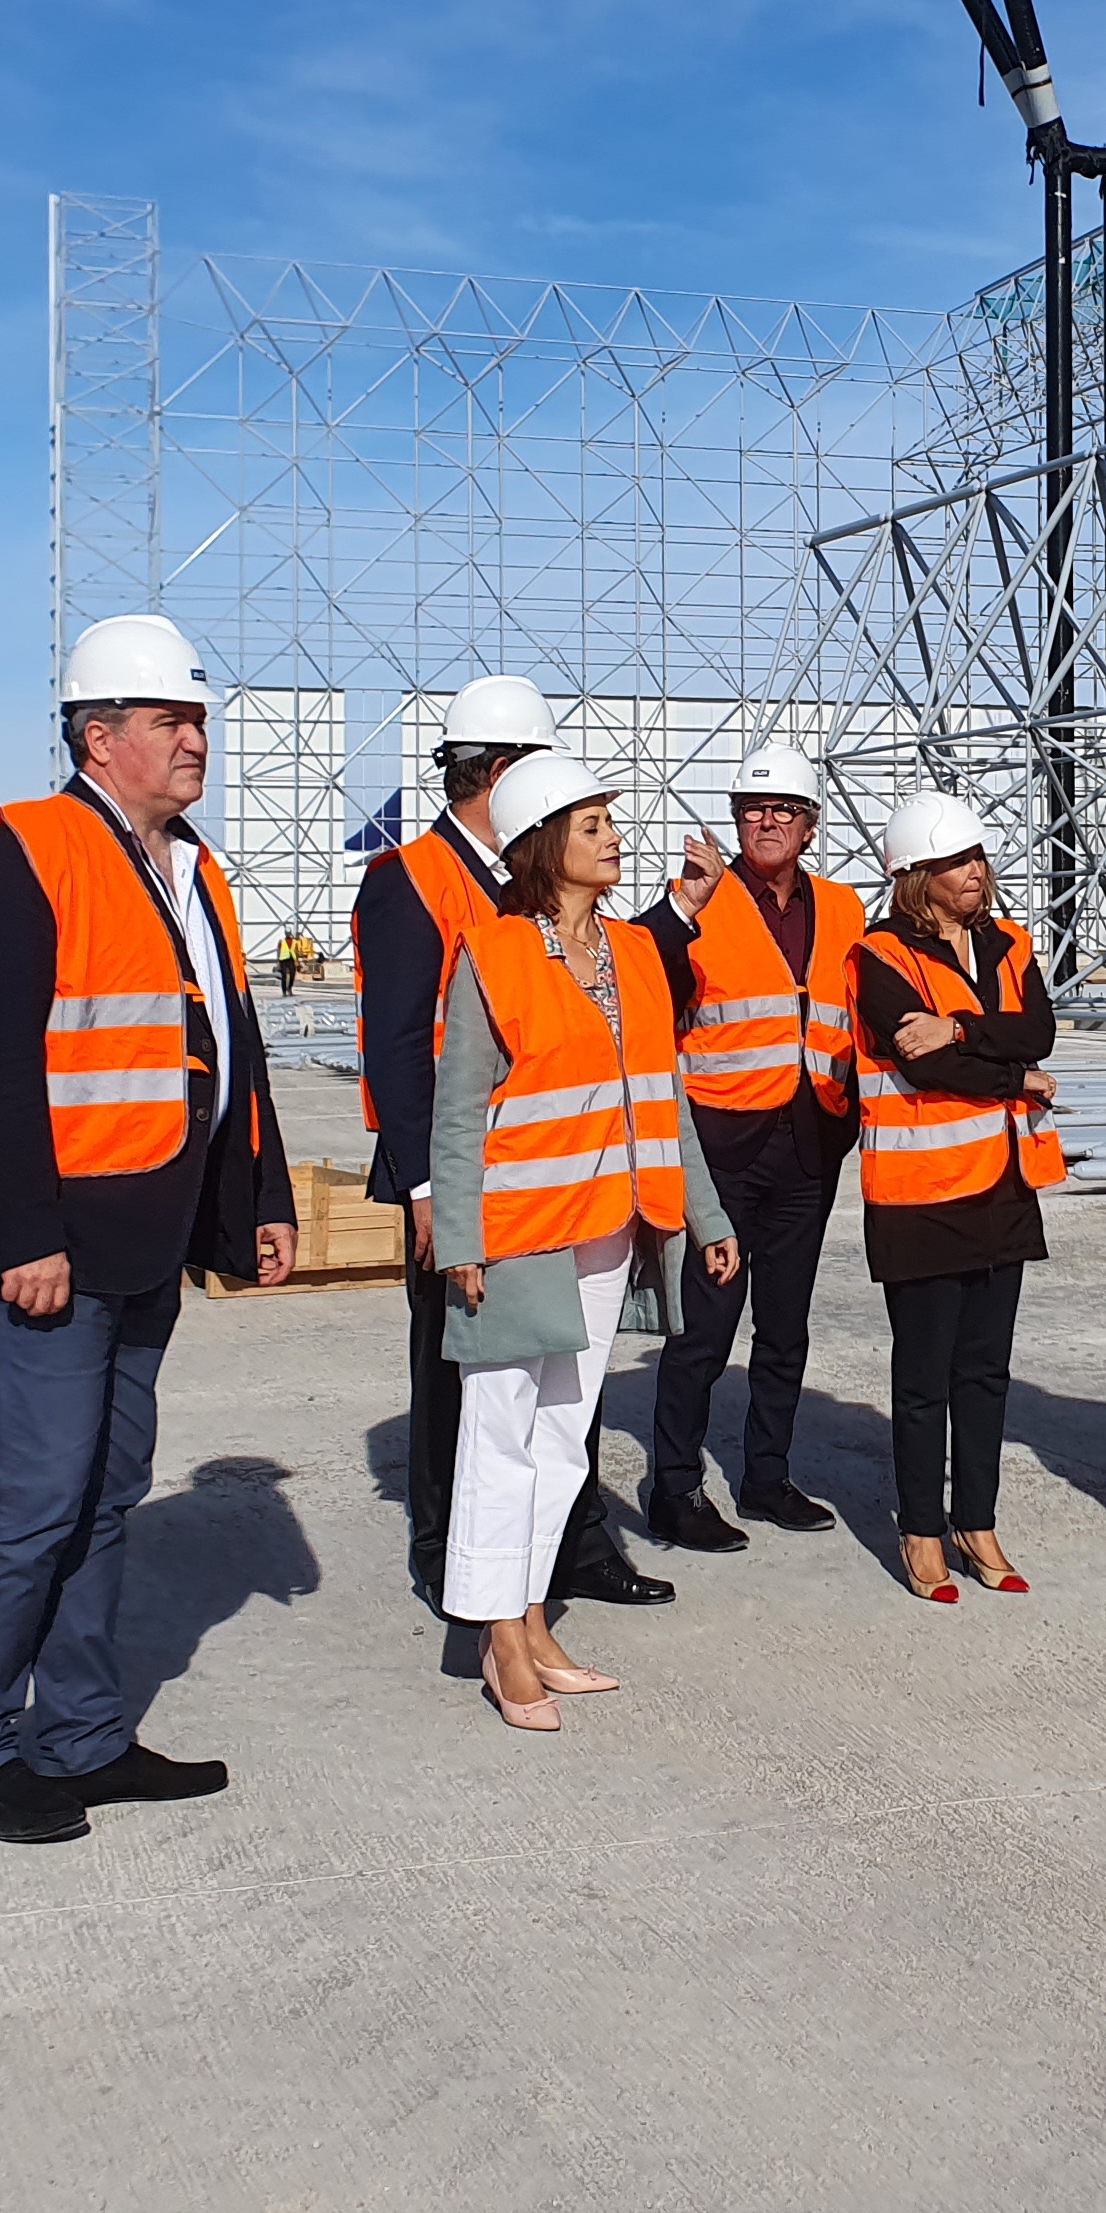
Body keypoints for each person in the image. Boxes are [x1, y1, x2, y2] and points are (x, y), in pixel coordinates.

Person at [0, 612, 299, 1847]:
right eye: (170, 720)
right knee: (36, 1500)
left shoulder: (194, 871)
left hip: (145, 1238)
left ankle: (81, 1736)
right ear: (99, 736)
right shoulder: (21, 857)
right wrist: (26, 1235)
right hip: (46, 1249)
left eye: (200, 721)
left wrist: (260, 1199)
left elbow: (228, 1049)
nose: (196, 741)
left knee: (106, 1494)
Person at [352, 677, 675, 1618]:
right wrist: (427, 1193)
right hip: (462, 1178)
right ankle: (446, 1556)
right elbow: (400, 1050)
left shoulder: (530, 876)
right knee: (460, 1376)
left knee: (565, 1380)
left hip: (564, 1177)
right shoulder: (411, 879)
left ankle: (567, 1551)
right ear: (503, 772)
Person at [430, 755, 738, 1725]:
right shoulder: (493, 954)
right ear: (541, 842)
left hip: (612, 1227)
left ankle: (530, 1615)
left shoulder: (636, 954)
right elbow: (458, 1109)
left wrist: (707, 1215)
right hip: (519, 1231)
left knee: (565, 1437)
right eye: (593, 823)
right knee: (499, 1432)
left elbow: (666, 1098)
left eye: (611, 821)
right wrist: (458, 1236)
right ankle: (496, 1637)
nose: (615, 837)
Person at [633, 742, 861, 1550]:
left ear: (809, 825)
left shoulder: (844, 908)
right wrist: (680, 907)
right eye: (753, 809)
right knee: (704, 1328)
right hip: (722, 1146)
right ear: (735, 820)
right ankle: (674, 1488)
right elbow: (637, 971)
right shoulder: (701, 898)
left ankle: (768, 1477)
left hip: (810, 1142)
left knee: (786, 1327)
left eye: (784, 810)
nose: (767, 821)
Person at [850, 791, 1062, 1605]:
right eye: (953, 862)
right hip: (920, 1196)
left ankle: (977, 1522)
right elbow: (921, 1061)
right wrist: (1015, 1077)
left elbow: (1037, 1030)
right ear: (915, 875)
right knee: (923, 1377)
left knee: (985, 1371)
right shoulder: (878, 956)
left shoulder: (1010, 943)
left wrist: (963, 1028)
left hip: (1003, 1186)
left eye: (976, 857)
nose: (974, 872)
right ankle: (920, 1529)